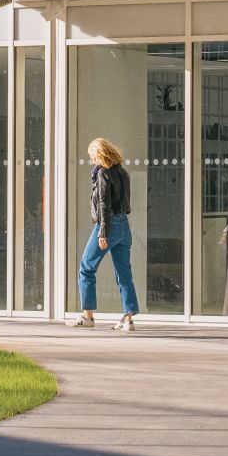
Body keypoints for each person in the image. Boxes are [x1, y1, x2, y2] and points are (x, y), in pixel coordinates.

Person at [75, 137, 138, 331]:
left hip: (108, 225)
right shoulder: (123, 172)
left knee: (86, 268)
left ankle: (87, 316)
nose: (92, 160)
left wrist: (103, 233)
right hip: (124, 226)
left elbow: (104, 204)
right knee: (124, 273)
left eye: (92, 155)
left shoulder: (103, 173)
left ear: (99, 153)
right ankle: (128, 319)